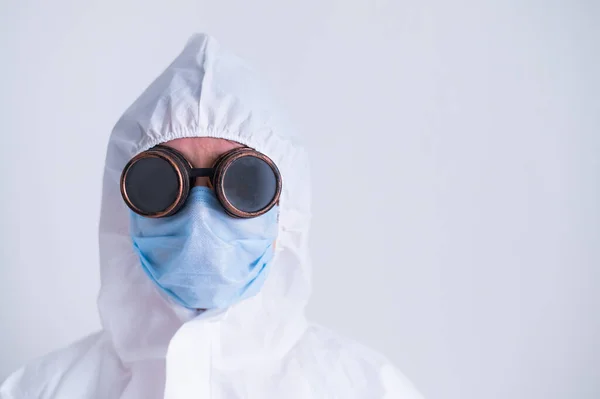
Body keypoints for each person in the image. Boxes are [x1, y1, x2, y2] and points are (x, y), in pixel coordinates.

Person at [0, 33, 424, 399]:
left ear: (285, 209)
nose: (200, 215)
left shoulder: (367, 389)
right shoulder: (39, 390)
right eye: (161, 183)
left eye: (243, 182)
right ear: (123, 206)